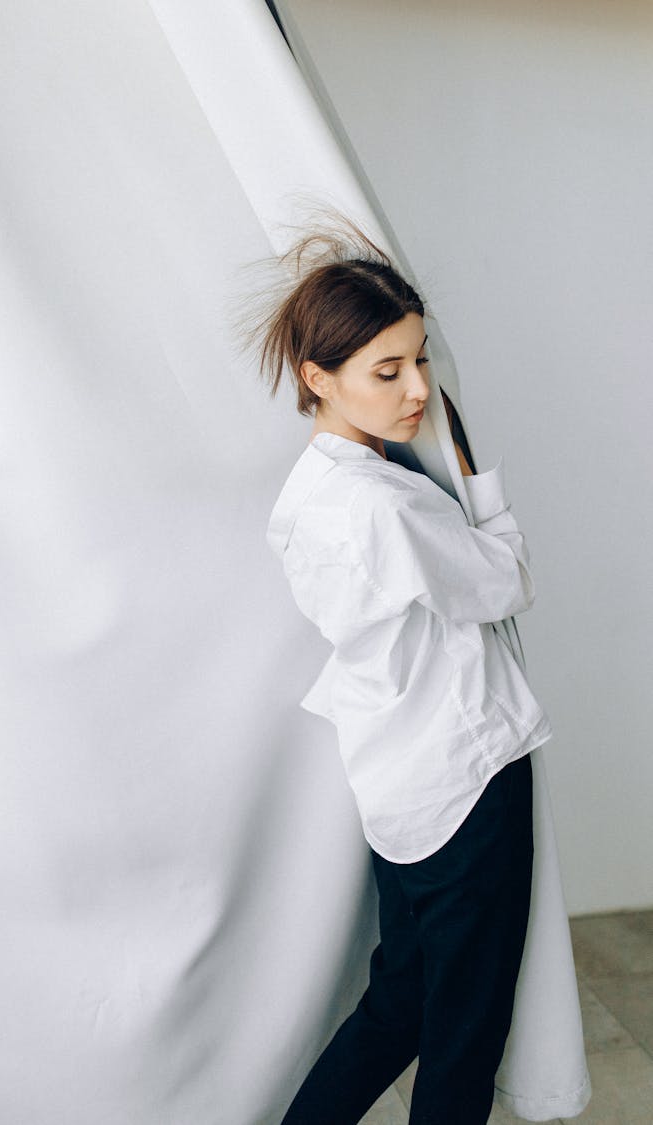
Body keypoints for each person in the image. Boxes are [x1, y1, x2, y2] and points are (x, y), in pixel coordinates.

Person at [251, 214, 554, 1125]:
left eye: (420, 360)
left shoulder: (308, 493)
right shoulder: (387, 507)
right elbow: (509, 579)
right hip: (467, 782)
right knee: (463, 1035)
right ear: (318, 377)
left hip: (396, 784)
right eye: (388, 372)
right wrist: (472, 477)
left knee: (401, 1005)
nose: (417, 388)